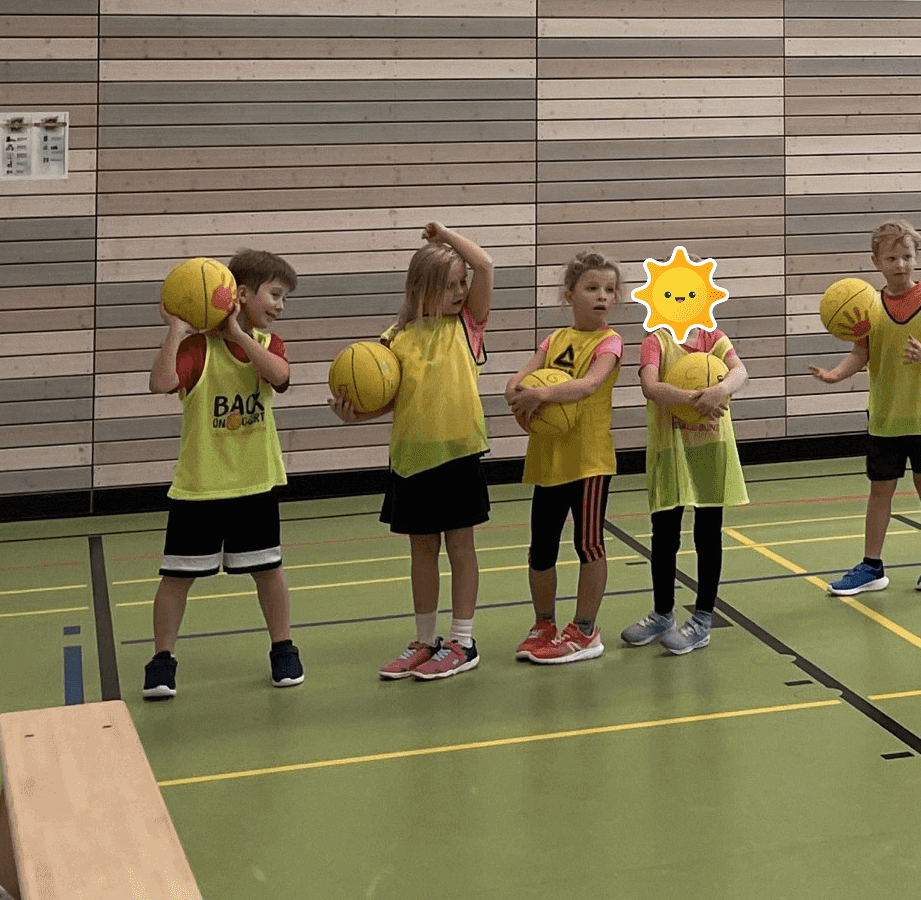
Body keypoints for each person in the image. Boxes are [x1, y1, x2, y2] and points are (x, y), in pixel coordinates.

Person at [332, 223, 495, 681]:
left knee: (460, 547)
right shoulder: (394, 338)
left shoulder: (468, 324)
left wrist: (445, 236)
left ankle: (463, 641)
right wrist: (356, 415)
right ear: (421, 288)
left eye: (462, 283)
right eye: (450, 285)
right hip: (410, 459)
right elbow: (391, 399)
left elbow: (484, 264)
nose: (461, 291)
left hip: (458, 454)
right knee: (422, 551)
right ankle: (425, 640)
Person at [141, 248, 300, 699]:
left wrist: (238, 335)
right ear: (241, 294)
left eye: (284, 298)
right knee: (177, 578)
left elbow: (279, 377)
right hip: (200, 486)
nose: (280, 306)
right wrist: (176, 330)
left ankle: (283, 648)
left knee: (269, 572)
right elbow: (160, 383)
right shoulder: (197, 350)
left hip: (255, 483)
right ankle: (162, 659)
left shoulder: (268, 345)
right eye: (274, 294)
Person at [810, 221, 921, 596]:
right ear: (876, 262)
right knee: (880, 490)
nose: (900, 264)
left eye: (907, 256)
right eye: (891, 258)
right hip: (885, 416)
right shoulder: (867, 307)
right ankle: (871, 566)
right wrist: (835, 375)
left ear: (916, 257)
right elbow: (860, 353)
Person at [508, 253, 626, 665]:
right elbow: (517, 382)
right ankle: (543, 624)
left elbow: (588, 385)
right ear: (569, 295)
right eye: (592, 288)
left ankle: (586, 630)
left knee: (588, 543)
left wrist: (540, 394)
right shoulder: (554, 340)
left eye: (609, 290)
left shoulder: (610, 342)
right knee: (541, 547)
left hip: (589, 461)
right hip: (548, 458)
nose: (602, 296)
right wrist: (519, 396)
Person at [625, 312, 749, 653]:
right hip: (669, 449)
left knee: (708, 534)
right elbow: (650, 387)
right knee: (664, 534)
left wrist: (720, 390)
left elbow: (740, 372)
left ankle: (702, 619)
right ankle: (663, 613)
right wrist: (697, 399)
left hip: (710, 447)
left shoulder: (714, 338)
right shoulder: (656, 341)